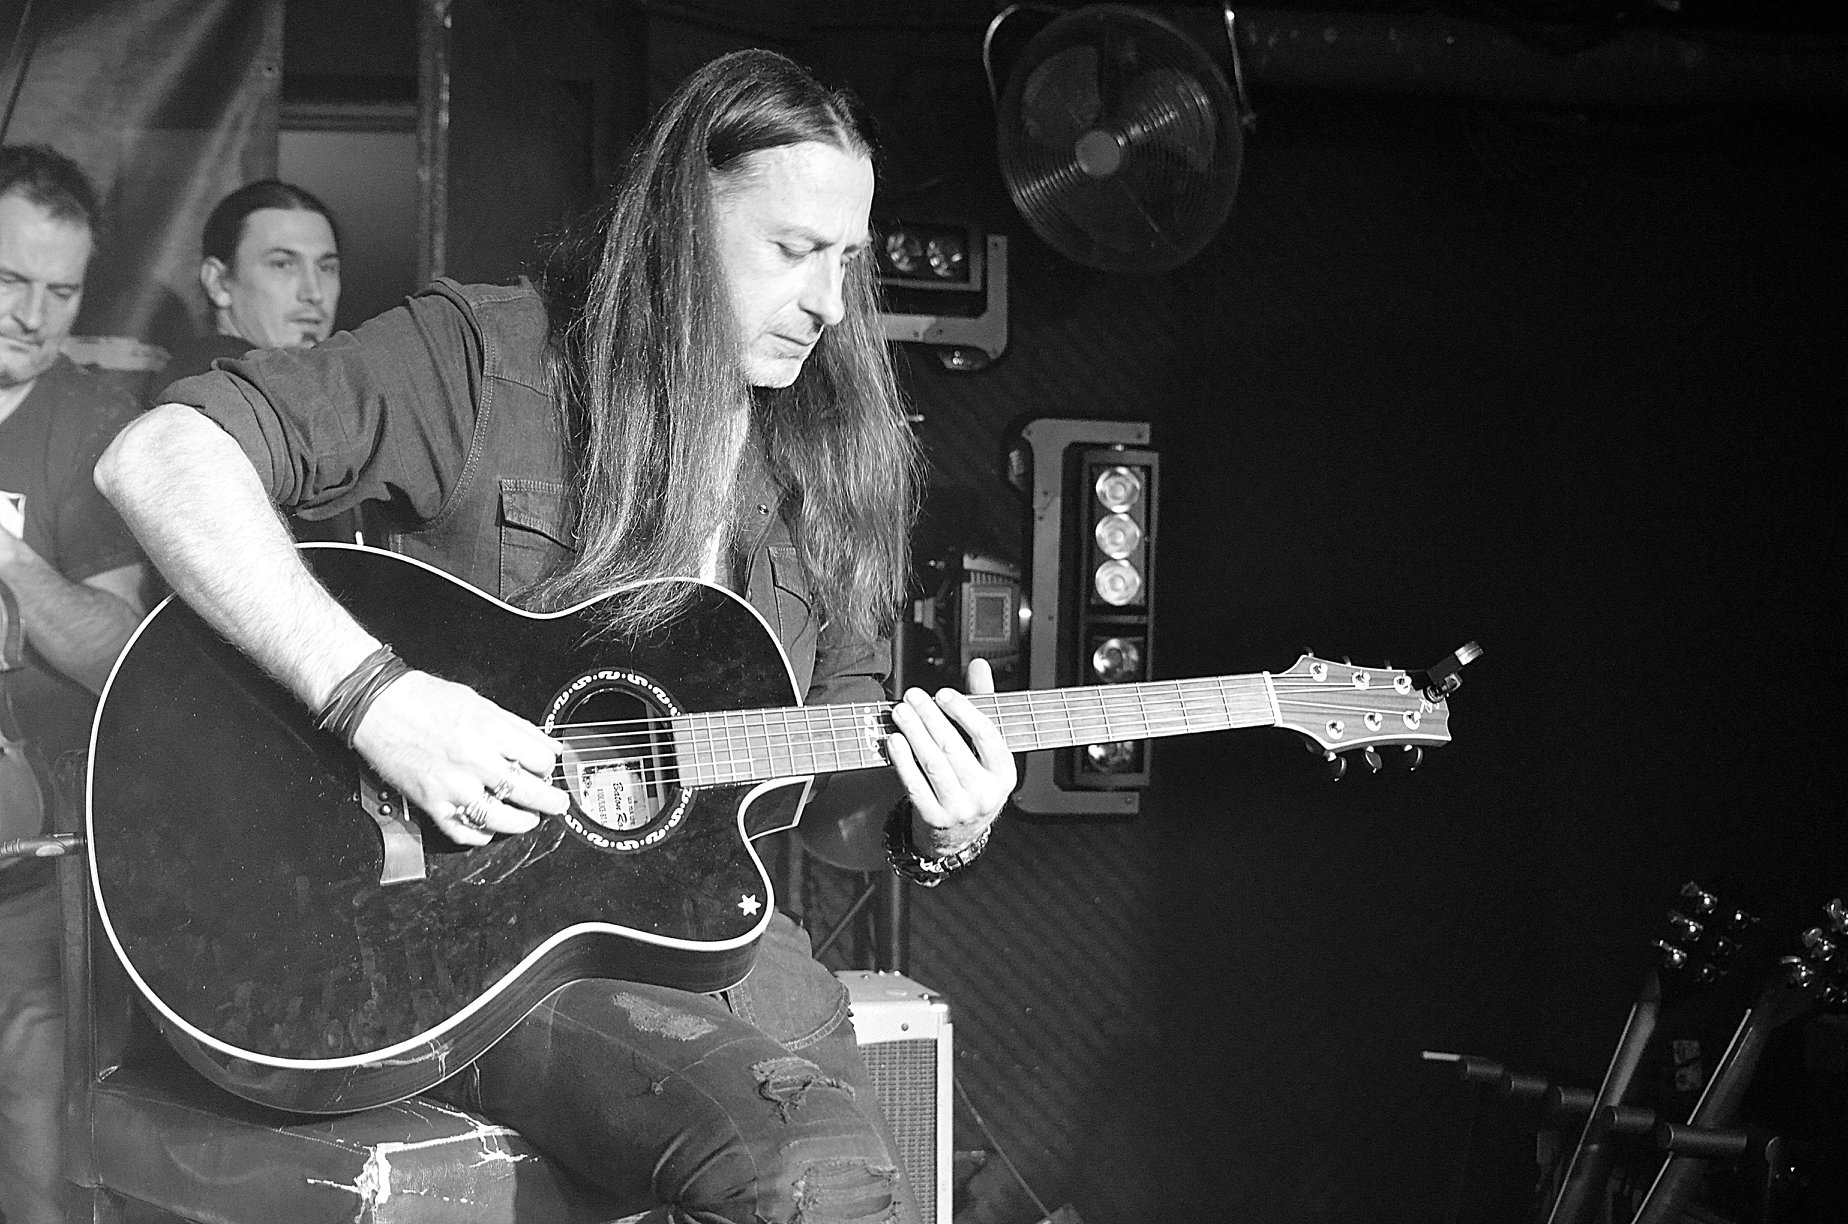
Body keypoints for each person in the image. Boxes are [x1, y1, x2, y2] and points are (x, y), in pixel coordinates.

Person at [96, 50, 1013, 1224]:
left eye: (847, 259)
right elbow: (160, 458)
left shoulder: (818, 472)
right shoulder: (483, 359)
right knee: (810, 1170)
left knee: (846, 1163)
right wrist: (374, 695)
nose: (831, 302)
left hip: (724, 960)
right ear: (679, 227)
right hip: (442, 932)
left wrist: (940, 825)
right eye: (793, 250)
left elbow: (833, 799)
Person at [0, 145, 149, 1224]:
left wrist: (8, 558)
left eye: (61, 292)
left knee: (35, 1126)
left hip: (25, 855)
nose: (32, 315)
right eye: (9, 280)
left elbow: (115, 649)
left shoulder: (93, 423)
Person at [154, 178, 341, 387]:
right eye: (281, 264)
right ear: (218, 282)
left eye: (326, 268)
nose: (314, 293)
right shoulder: (214, 383)